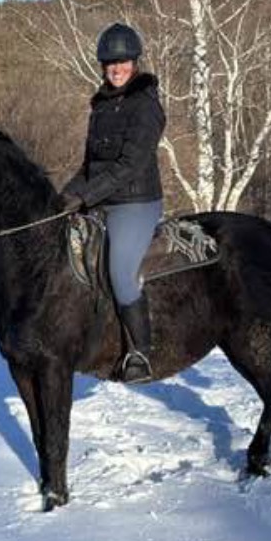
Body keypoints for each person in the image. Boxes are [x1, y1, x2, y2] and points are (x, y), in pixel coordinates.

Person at [60, 23, 166, 383]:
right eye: (109, 63)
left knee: (121, 274)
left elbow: (129, 167)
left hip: (135, 202)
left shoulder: (145, 105)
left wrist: (85, 197)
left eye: (122, 62)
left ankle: (141, 352)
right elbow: (90, 166)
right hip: (102, 199)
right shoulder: (101, 106)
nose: (116, 69)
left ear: (134, 63)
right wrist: (61, 199)